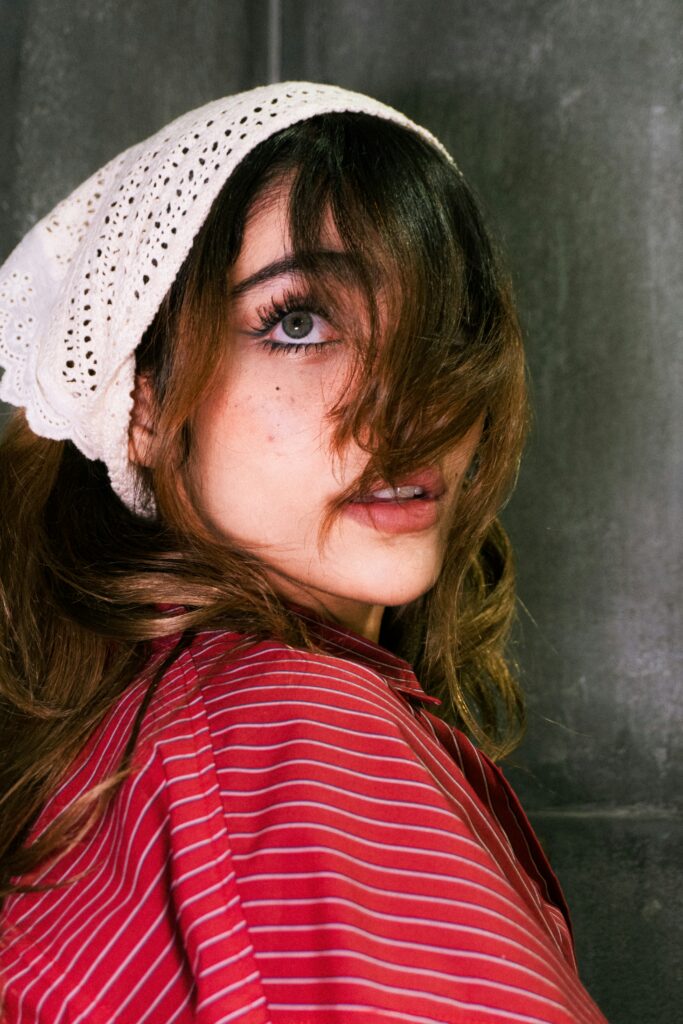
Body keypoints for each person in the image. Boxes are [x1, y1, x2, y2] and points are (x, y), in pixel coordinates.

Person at [0, 83, 607, 1023]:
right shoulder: (293, 725)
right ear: (145, 400)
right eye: (298, 324)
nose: (412, 405)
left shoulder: (134, 735)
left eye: (440, 325)